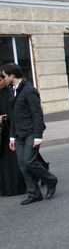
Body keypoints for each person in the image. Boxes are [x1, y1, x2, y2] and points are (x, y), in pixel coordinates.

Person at [3, 63, 58, 205]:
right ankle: (34, 194)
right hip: (19, 134)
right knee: (22, 165)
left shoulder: (29, 90)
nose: (3, 79)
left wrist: (38, 136)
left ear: (12, 76)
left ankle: (51, 180)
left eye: (4, 76)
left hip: (31, 133)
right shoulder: (12, 90)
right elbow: (14, 116)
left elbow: (37, 115)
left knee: (29, 161)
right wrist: (12, 136)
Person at [0, 68, 25, 196]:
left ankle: (15, 187)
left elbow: (12, 114)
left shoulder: (7, 93)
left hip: (7, 132)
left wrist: (4, 118)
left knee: (11, 160)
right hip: (3, 133)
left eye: (1, 78)